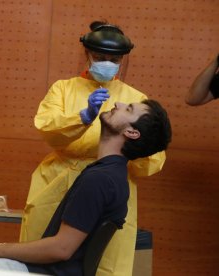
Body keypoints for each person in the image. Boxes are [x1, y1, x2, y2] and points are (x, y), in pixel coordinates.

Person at [19, 20, 168, 276]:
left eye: (114, 58)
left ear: (123, 59)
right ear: (87, 54)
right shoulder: (63, 89)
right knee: (41, 254)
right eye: (100, 56)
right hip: (59, 181)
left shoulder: (137, 100)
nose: (107, 62)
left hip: (110, 183)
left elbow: (152, 158)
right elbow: (47, 128)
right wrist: (83, 117)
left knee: (104, 260)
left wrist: (123, 156)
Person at [0, 99, 172, 276]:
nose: (118, 103)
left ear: (132, 132)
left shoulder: (100, 179)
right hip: (40, 270)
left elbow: (61, 249)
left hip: (42, 273)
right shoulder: (112, 175)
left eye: (128, 109)